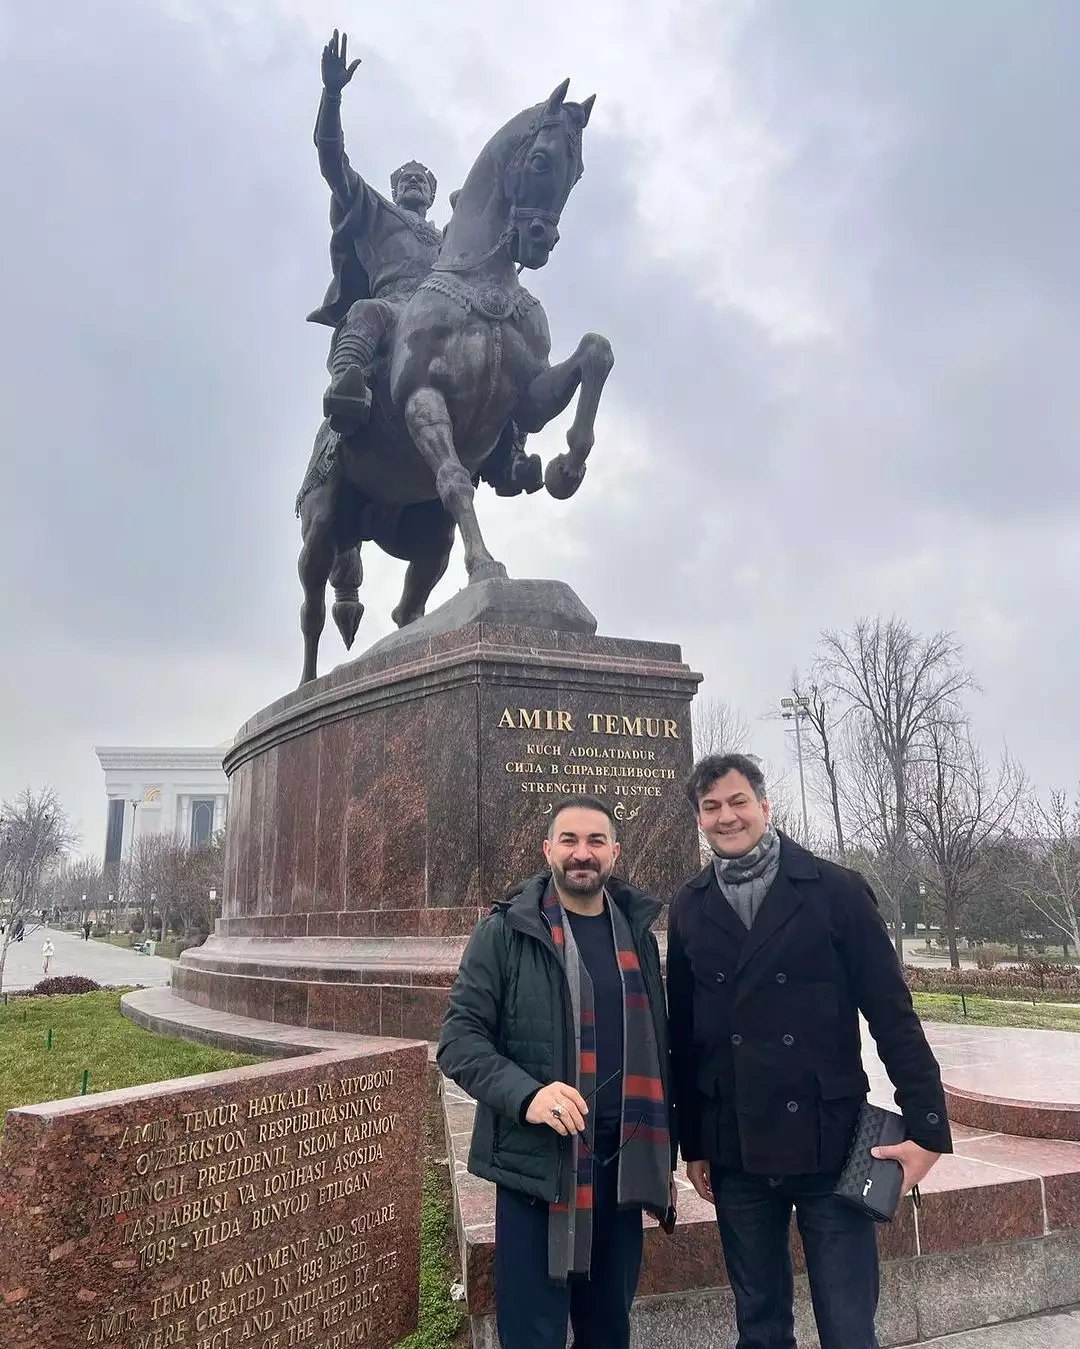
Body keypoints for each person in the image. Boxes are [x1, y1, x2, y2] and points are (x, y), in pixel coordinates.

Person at [667, 753, 952, 1349]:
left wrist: (927, 1129)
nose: (726, 817)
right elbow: (686, 1035)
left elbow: (892, 1015)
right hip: (735, 1145)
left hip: (830, 1137)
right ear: (699, 818)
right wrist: (694, 1143)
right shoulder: (690, 904)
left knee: (848, 1327)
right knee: (760, 1325)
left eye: (738, 801)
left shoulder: (836, 890)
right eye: (712, 807)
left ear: (764, 806)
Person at [438, 795, 676, 1349]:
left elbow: (660, 1047)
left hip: (621, 1167)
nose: (581, 853)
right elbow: (459, 1041)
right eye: (569, 840)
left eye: (595, 841)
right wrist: (529, 1096)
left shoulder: (637, 934)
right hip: (538, 1171)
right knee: (533, 1336)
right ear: (548, 850)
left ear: (615, 852)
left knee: (609, 1332)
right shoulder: (506, 931)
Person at [308, 29, 445, 435]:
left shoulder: (449, 240)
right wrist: (332, 95)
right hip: (395, 306)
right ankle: (347, 384)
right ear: (395, 190)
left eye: (421, 179)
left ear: (432, 194)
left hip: (445, 315)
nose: (413, 181)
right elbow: (332, 161)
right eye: (406, 178)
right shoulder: (376, 210)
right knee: (367, 311)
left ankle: (511, 443)